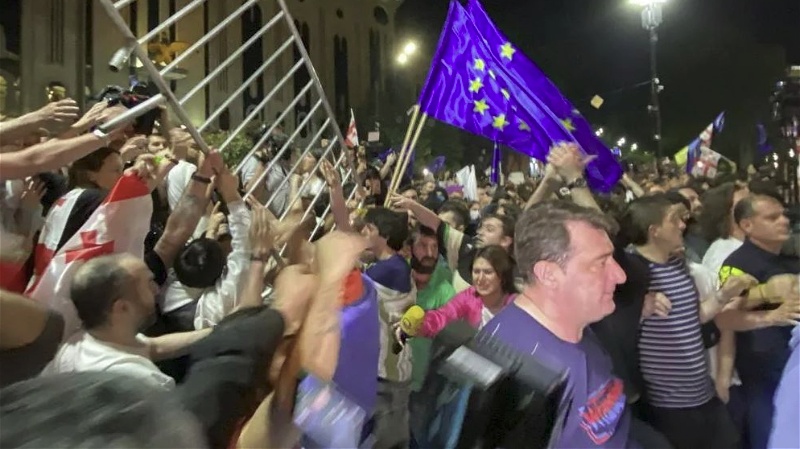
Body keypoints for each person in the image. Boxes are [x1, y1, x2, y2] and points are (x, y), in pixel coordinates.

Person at [481, 200, 634, 448]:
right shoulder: (520, 370)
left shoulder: (574, 324)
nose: (620, 275)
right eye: (600, 263)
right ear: (549, 274)